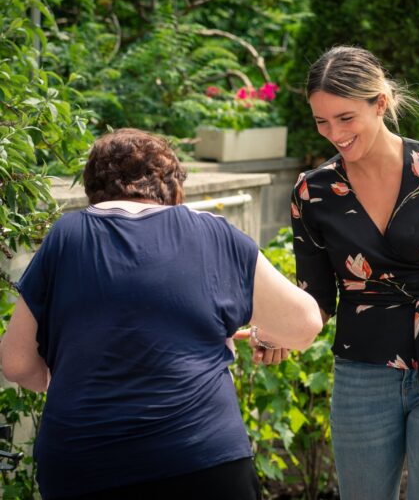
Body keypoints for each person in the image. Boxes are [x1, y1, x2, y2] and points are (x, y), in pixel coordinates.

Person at [0, 128, 323, 500]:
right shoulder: (213, 233)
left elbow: (17, 363)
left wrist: (76, 382)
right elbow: (305, 325)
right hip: (202, 459)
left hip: (84, 463)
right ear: (174, 189)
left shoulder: (67, 236)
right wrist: (264, 336)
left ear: (92, 188)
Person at [291, 46, 419, 500]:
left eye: (345, 118)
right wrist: (279, 332)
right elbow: (317, 299)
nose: (334, 133)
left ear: (379, 103)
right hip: (361, 370)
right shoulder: (312, 191)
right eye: (322, 121)